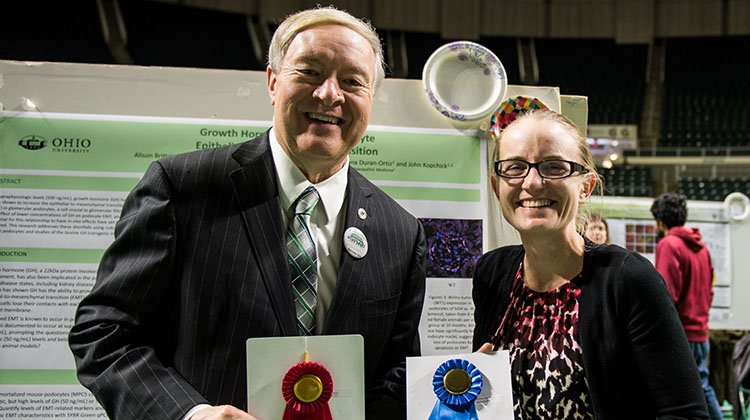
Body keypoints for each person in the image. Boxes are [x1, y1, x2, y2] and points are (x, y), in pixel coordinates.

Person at [68, 6, 426, 420]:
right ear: (273, 83)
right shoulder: (183, 188)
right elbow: (105, 332)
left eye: (352, 81)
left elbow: (393, 374)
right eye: (310, 72)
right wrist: (192, 414)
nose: (330, 94)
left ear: (370, 98)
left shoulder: (399, 231)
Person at [472, 109, 708, 418]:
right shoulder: (492, 274)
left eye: (554, 166)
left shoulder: (628, 280)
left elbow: (685, 413)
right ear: (496, 186)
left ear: (585, 187)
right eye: (515, 167)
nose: (532, 182)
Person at [651, 192, 723, 419]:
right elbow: (710, 290)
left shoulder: (669, 244)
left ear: (660, 221)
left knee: (684, 395)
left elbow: (666, 294)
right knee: (702, 387)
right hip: (701, 332)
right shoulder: (702, 248)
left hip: (681, 334)